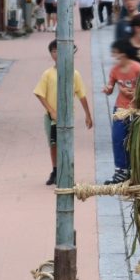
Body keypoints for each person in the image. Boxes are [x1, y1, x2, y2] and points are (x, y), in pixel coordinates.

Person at [34, 40, 93, 185]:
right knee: (53, 144)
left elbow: (81, 95)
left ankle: (66, 172)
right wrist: (51, 111)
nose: (57, 54)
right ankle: (55, 170)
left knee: (66, 143)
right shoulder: (48, 74)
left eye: (59, 50)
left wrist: (88, 115)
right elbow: (39, 94)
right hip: (51, 117)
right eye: (54, 51)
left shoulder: (74, 74)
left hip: (68, 117)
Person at [102, 39, 140, 184]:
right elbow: (110, 87)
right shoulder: (115, 70)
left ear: (124, 53)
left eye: (116, 53)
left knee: (136, 140)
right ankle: (121, 170)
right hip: (120, 108)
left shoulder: (137, 68)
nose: (114, 56)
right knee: (118, 138)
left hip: (136, 109)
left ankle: (136, 170)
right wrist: (107, 89)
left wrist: (135, 92)